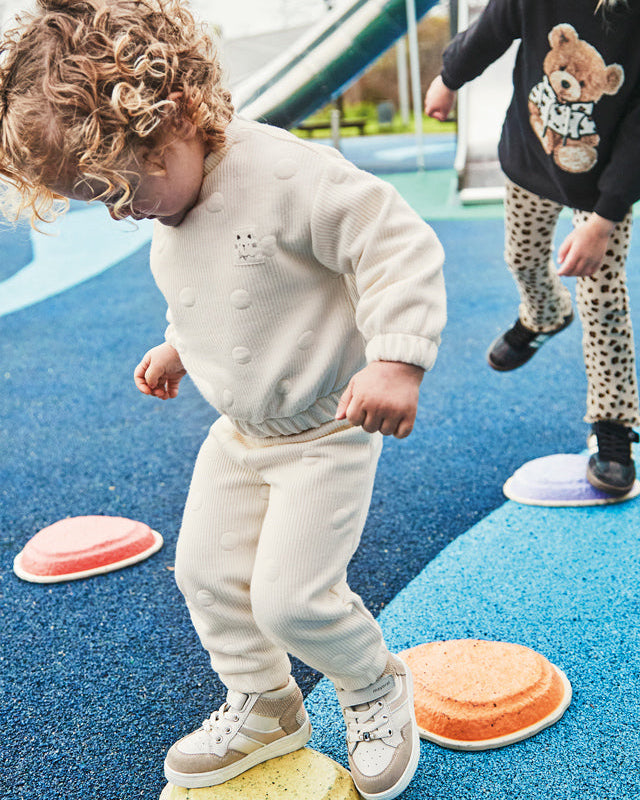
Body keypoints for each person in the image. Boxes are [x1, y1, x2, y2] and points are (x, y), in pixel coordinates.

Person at [0, 1, 447, 797]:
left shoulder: (281, 173)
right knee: (205, 574)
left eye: (118, 186)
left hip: (324, 431)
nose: (119, 209)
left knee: (293, 599)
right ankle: (268, 704)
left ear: (171, 115)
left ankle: (374, 687)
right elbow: (210, 285)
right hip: (240, 434)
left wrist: (397, 360)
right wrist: (179, 343)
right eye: (94, 198)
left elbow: (395, 241)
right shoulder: (172, 196)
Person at [425, 0, 640, 495]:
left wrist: (604, 219)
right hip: (530, 162)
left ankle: (613, 426)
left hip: (601, 188)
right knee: (521, 256)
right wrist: (448, 80)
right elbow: (487, 34)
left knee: (603, 303)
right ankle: (543, 314)